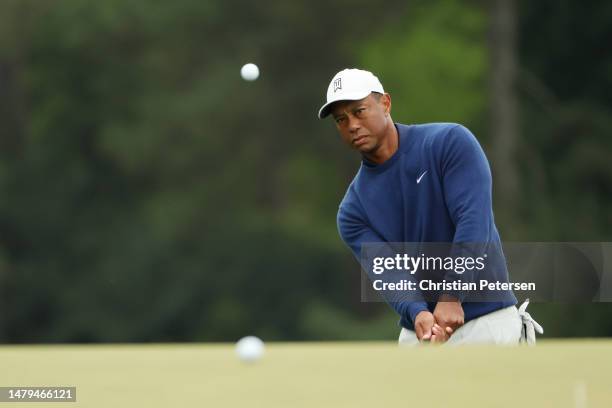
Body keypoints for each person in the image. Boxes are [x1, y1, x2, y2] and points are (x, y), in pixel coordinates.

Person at [318, 68, 542, 345]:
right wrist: (417, 312)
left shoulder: (449, 143)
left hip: (488, 321)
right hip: (419, 333)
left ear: (385, 103)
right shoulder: (352, 211)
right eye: (341, 119)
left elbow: (474, 222)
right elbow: (389, 273)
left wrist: (451, 296)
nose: (351, 124)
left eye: (359, 111)